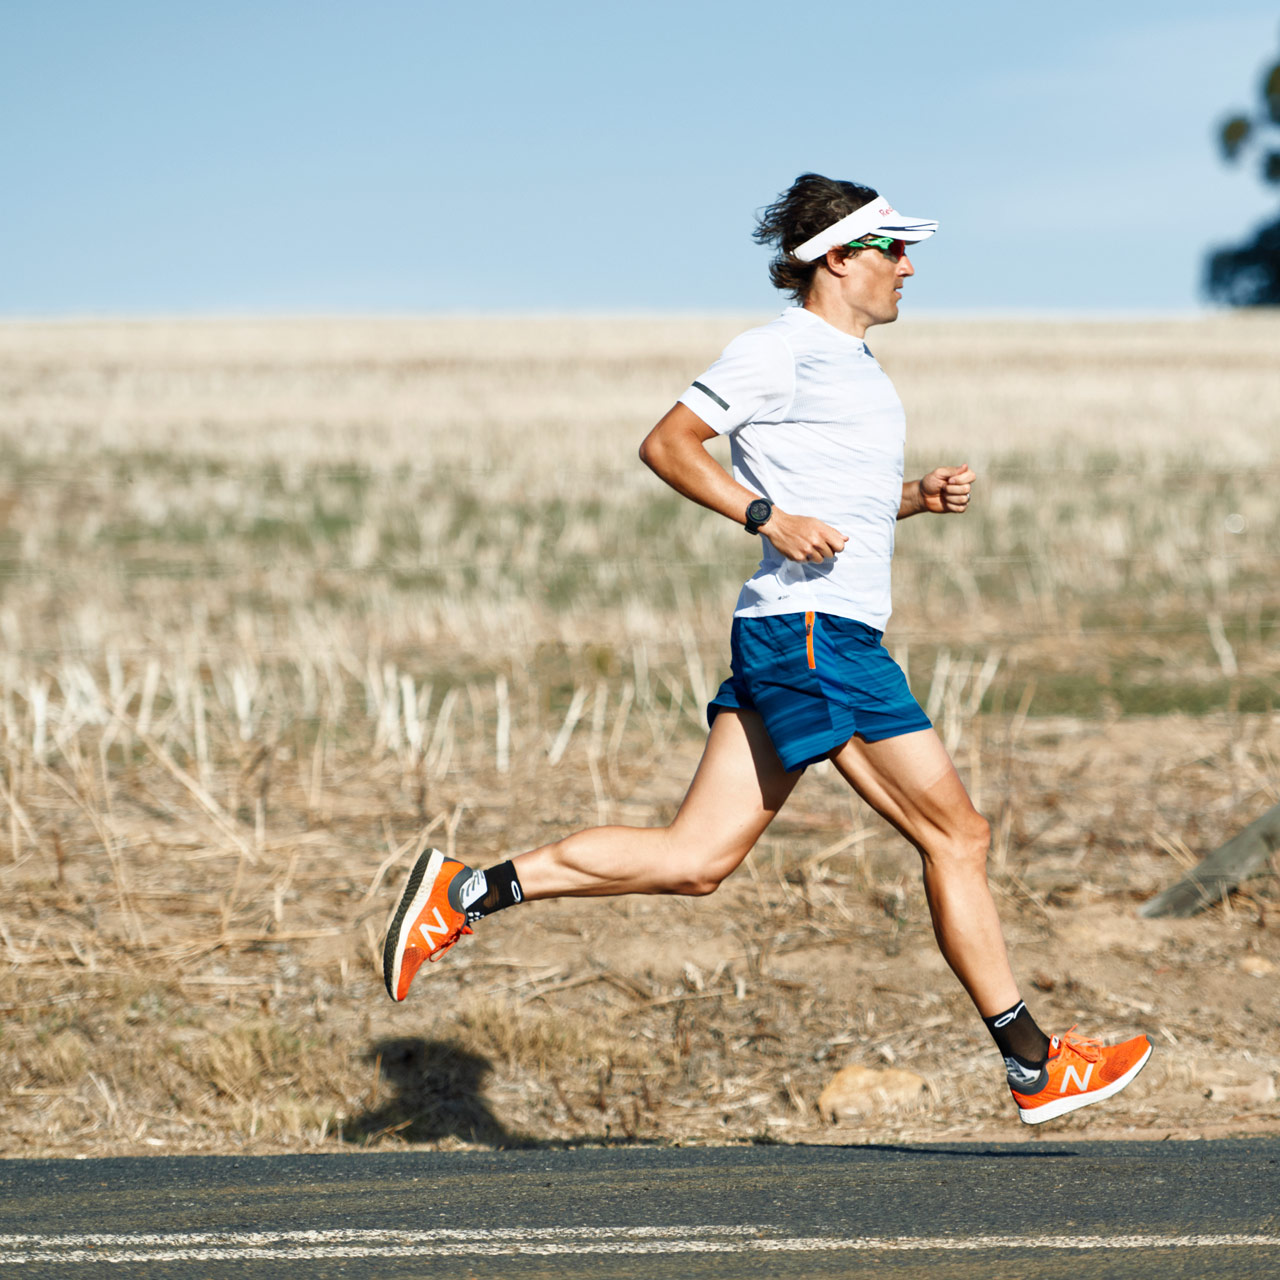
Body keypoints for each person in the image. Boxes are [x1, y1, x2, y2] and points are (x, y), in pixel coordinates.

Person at [382, 173, 1152, 1124]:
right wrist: (764, 516)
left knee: (695, 860)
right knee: (958, 835)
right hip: (814, 636)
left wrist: (913, 498)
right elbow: (668, 443)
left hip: (801, 634)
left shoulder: (856, 367)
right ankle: (1035, 1063)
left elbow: (832, 494)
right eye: (892, 250)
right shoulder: (778, 351)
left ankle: (466, 892)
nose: (910, 267)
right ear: (835, 258)